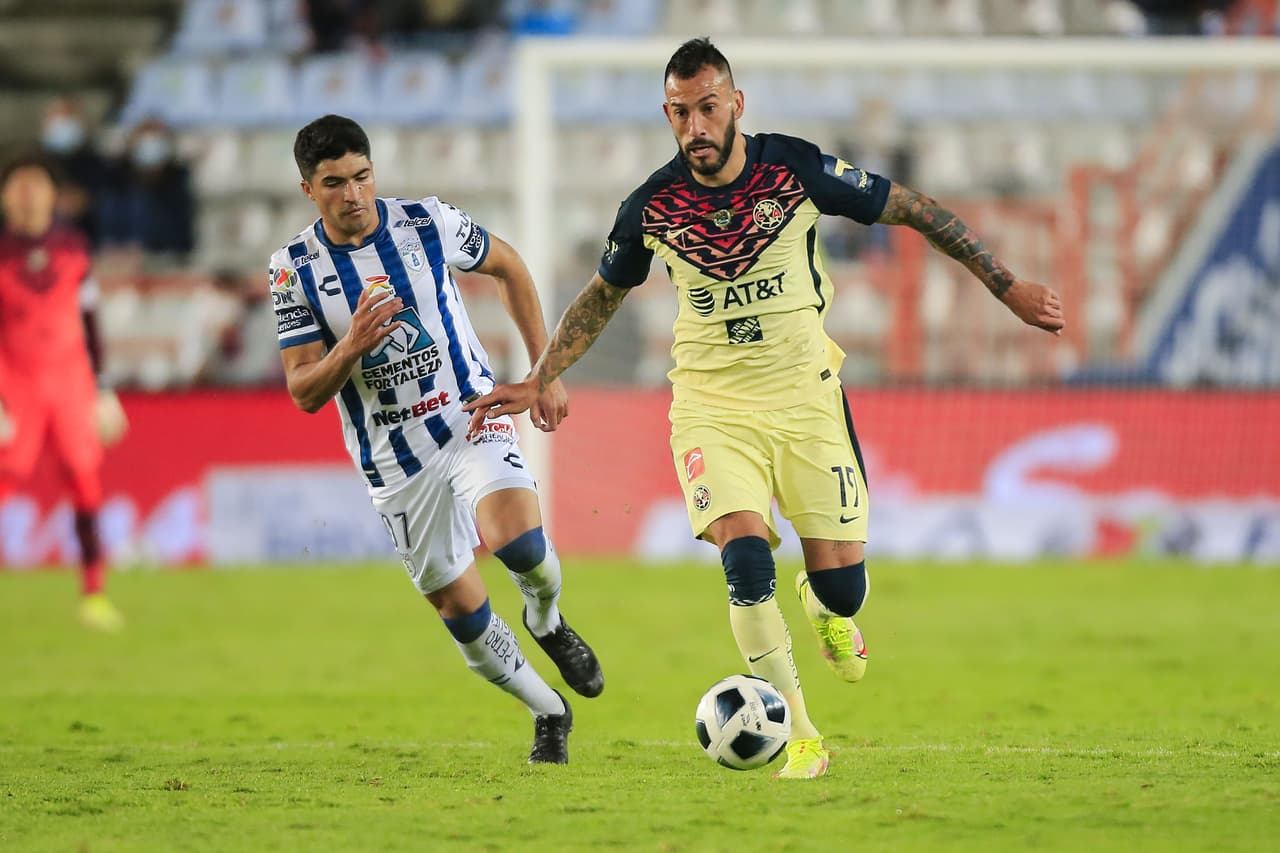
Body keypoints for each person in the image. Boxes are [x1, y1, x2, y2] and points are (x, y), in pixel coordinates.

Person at [464, 38, 1064, 779]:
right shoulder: (653, 205)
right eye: (681, 113)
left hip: (807, 398)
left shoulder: (796, 169)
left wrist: (1005, 285)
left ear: (736, 104)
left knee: (843, 588)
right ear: (668, 114)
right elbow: (602, 295)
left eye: (709, 107)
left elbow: (912, 207)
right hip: (712, 408)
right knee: (746, 558)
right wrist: (541, 372)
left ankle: (824, 606)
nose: (696, 126)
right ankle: (800, 729)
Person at [270, 115, 603, 764]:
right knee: (464, 615)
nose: (353, 195)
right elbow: (304, 389)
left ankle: (547, 617)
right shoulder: (293, 271)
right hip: (394, 464)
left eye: (362, 176)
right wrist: (352, 346)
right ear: (309, 189)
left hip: (468, 416)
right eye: (334, 183)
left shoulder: (426, 222)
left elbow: (509, 267)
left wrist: (544, 371)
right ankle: (549, 708)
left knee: (523, 546)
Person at [0, 154, 128, 630]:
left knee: (85, 483)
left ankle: (94, 595)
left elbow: (90, 319)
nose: (28, 193)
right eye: (19, 184)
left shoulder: (73, 246)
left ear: (54, 195)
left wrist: (103, 389)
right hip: (14, 384)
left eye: (36, 184)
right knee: (5, 479)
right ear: (5, 196)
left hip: (71, 383)